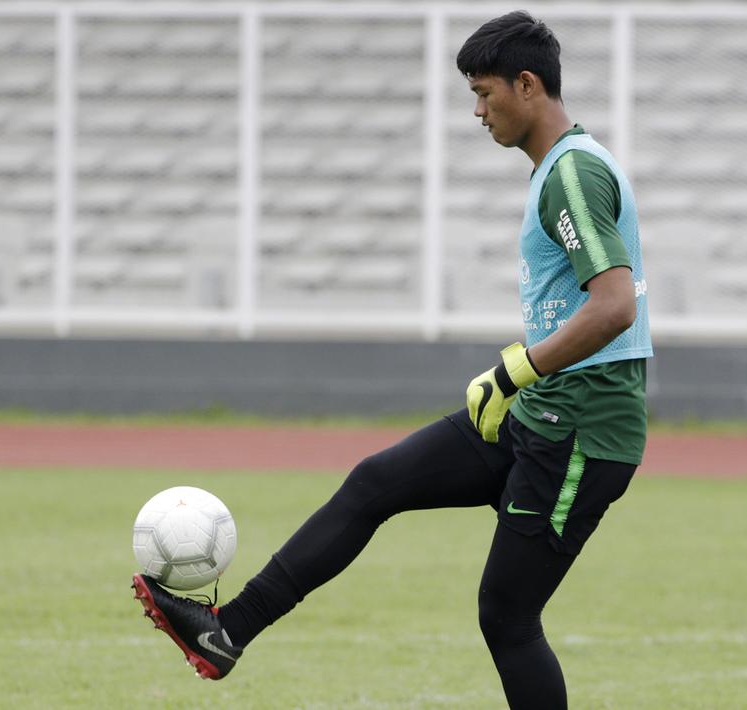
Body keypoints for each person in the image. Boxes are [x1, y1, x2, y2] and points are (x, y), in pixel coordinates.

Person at [131, 11, 653, 708]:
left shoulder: (573, 174)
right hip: (542, 412)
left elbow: (613, 306)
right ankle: (226, 632)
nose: (477, 111)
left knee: (507, 615)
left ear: (527, 85)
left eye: (484, 93)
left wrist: (513, 371)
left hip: (583, 430)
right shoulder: (558, 170)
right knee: (375, 483)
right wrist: (521, 384)